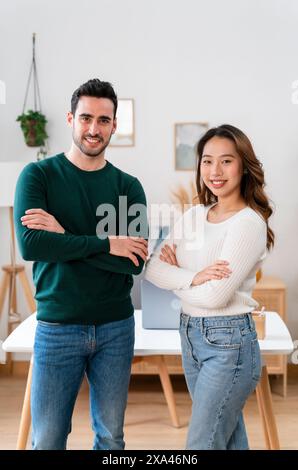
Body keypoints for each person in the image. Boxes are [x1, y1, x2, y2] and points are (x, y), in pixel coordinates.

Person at [14, 78, 148, 450]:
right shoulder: (38, 176)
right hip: (58, 326)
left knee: (111, 438)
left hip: (116, 328)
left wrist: (63, 235)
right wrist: (108, 244)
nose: (93, 128)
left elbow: (134, 262)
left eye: (103, 120)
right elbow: (31, 245)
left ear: (114, 126)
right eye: (86, 118)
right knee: (49, 438)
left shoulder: (128, 187)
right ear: (71, 118)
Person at [145, 124, 274, 450]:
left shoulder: (248, 223)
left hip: (229, 344)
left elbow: (215, 297)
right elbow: (150, 268)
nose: (215, 171)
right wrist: (194, 277)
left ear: (244, 166)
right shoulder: (193, 216)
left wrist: (179, 274)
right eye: (207, 160)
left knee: (202, 443)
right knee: (227, 438)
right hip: (190, 336)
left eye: (226, 161)